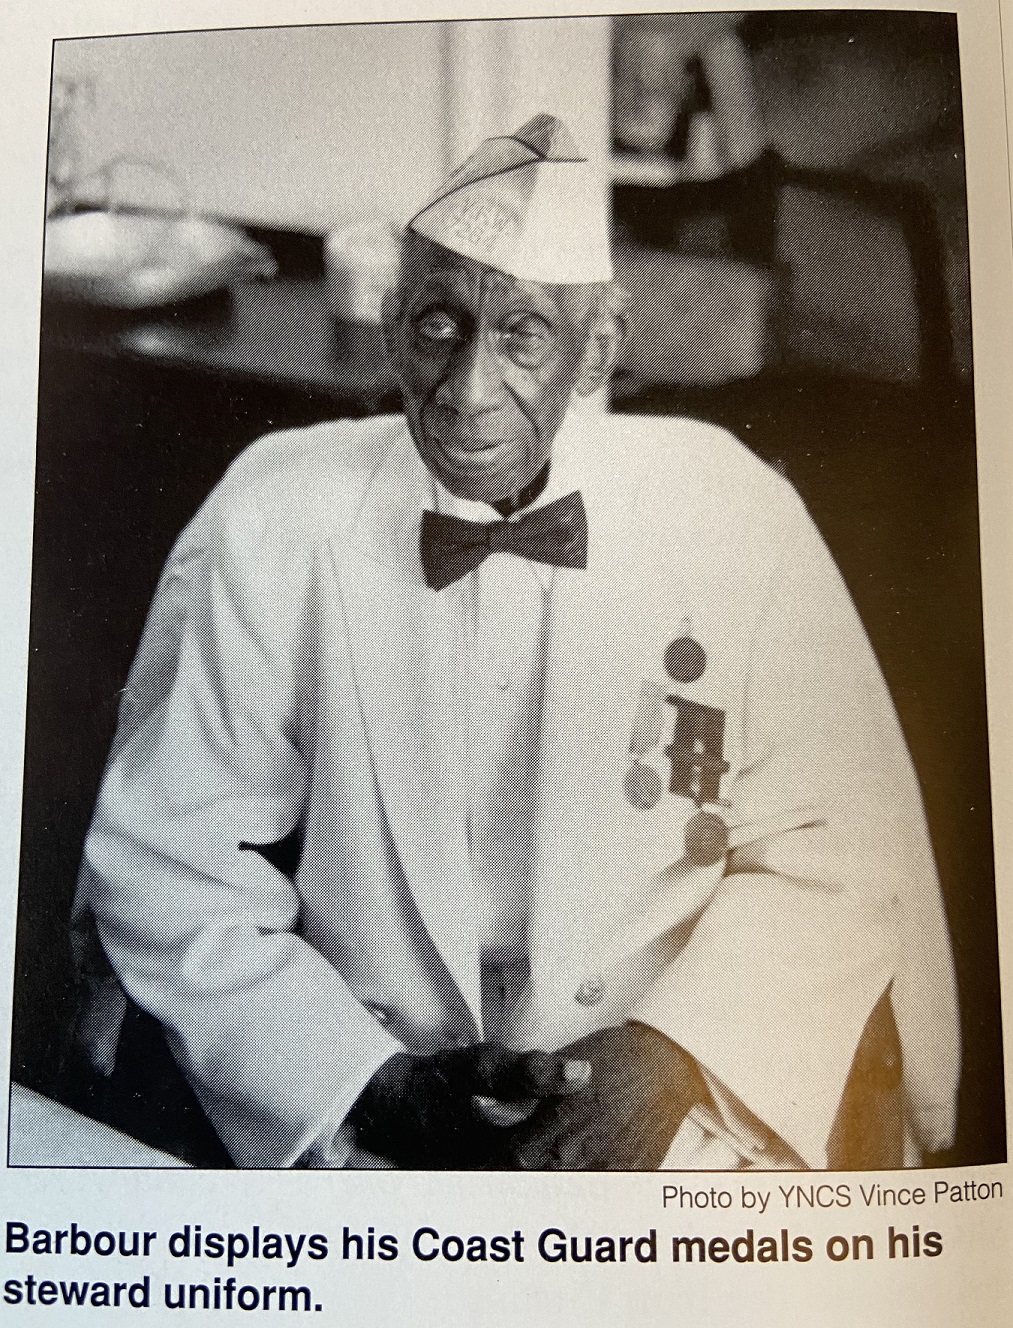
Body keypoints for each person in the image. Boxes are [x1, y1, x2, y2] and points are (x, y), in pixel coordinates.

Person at [71, 114, 959, 1171]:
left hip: (673, 1109)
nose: (467, 391)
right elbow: (174, 859)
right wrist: (360, 1078)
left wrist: (670, 1055)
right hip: (367, 1094)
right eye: (439, 325)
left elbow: (830, 846)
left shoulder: (736, 513)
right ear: (390, 320)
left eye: (523, 332)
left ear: (601, 347)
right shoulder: (274, 515)